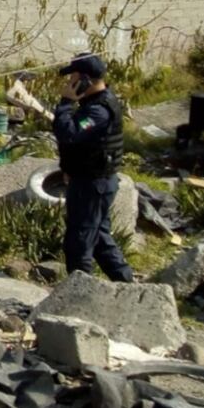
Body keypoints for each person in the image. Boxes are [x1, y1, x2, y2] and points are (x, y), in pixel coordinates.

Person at [52, 52, 134, 283]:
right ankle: (126, 284)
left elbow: (68, 133)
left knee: (79, 241)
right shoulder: (94, 104)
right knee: (98, 238)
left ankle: (79, 290)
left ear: (85, 80)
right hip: (89, 180)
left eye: (73, 78)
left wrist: (66, 103)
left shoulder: (98, 111)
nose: (69, 83)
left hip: (93, 184)